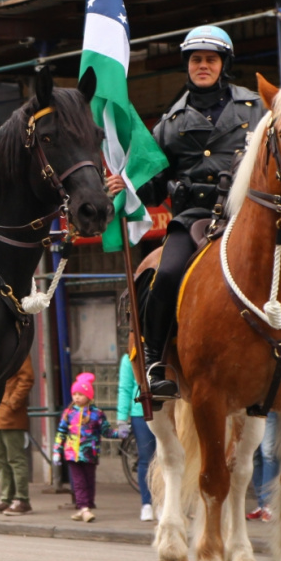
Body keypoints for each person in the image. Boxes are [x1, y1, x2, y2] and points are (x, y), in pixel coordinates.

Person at [111, 26, 265, 401]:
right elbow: (153, 184)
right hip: (194, 217)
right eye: (196, 59)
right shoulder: (169, 124)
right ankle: (155, 362)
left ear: (223, 64)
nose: (203, 66)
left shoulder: (255, 107)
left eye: (210, 59)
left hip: (247, 213)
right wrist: (123, 185)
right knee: (164, 276)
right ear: (187, 65)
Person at [54, 372, 106, 523]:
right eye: (74, 394)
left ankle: (86, 506)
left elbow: (106, 430)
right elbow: (61, 433)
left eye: (80, 394)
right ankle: (84, 508)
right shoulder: (68, 413)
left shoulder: (97, 414)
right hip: (72, 454)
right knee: (78, 482)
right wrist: (57, 451)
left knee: (89, 481)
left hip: (90, 453)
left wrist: (119, 433)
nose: (76, 397)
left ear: (89, 396)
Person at [0, 357, 34, 516]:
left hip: (10, 415)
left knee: (15, 458)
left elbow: (27, 379)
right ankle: (6, 498)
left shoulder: (19, 353)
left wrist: (12, 403)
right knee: (0, 459)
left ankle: (22, 499)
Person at [117, 349, 157, 521]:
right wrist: (121, 419)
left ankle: (163, 503)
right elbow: (125, 389)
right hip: (140, 412)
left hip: (165, 411)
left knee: (166, 459)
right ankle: (146, 504)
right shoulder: (129, 358)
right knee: (145, 458)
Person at [248, 411, 279, 522]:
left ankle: (269, 504)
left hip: (270, 407)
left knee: (268, 453)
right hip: (251, 407)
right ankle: (261, 504)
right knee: (254, 456)